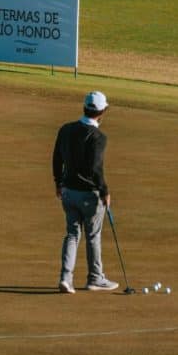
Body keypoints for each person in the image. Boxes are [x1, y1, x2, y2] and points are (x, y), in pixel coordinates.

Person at [52, 90, 119, 293]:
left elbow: (57, 158)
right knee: (92, 236)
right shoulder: (98, 137)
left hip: (68, 193)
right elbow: (95, 168)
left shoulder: (66, 129)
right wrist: (105, 190)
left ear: (84, 108)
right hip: (89, 195)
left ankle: (66, 278)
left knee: (72, 234)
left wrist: (58, 183)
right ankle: (95, 278)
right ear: (102, 111)